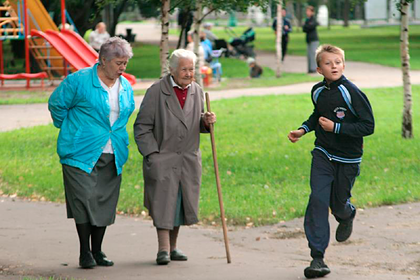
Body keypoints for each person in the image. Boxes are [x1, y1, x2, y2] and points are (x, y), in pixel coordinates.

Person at [287, 44, 374, 279]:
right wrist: (303, 130)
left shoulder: (351, 92)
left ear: (343, 65)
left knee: (337, 205)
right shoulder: (317, 91)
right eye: (328, 63)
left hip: (348, 158)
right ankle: (317, 258)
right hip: (323, 153)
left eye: (337, 62)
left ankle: (347, 214)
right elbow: (318, 115)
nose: (333, 66)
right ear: (318, 68)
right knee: (317, 199)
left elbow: (368, 126)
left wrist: (336, 127)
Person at [48, 37, 135, 269]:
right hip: (80, 152)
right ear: (103, 60)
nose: (122, 68)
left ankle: (97, 250)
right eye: (118, 63)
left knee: (104, 202)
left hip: (113, 151)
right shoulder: (79, 81)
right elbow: (56, 104)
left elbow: (125, 114)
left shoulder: (125, 85)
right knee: (84, 200)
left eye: (125, 63)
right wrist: (69, 129)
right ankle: (84, 251)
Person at [133, 49, 216, 265]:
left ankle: (173, 247)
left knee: (180, 202)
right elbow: (142, 126)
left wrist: (206, 122)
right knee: (163, 202)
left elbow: (194, 123)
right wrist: (152, 154)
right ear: (172, 70)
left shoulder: (197, 91)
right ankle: (163, 249)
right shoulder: (156, 91)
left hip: (187, 158)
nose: (189, 74)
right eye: (184, 69)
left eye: (192, 69)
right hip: (163, 157)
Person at [303, 6, 319, 73]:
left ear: (312, 12)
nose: (307, 12)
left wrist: (306, 26)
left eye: (309, 11)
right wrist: (307, 26)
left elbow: (312, 26)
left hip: (314, 39)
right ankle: (310, 69)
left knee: (313, 54)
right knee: (309, 54)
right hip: (308, 39)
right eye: (307, 11)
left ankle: (314, 69)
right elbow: (304, 29)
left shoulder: (313, 19)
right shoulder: (307, 20)